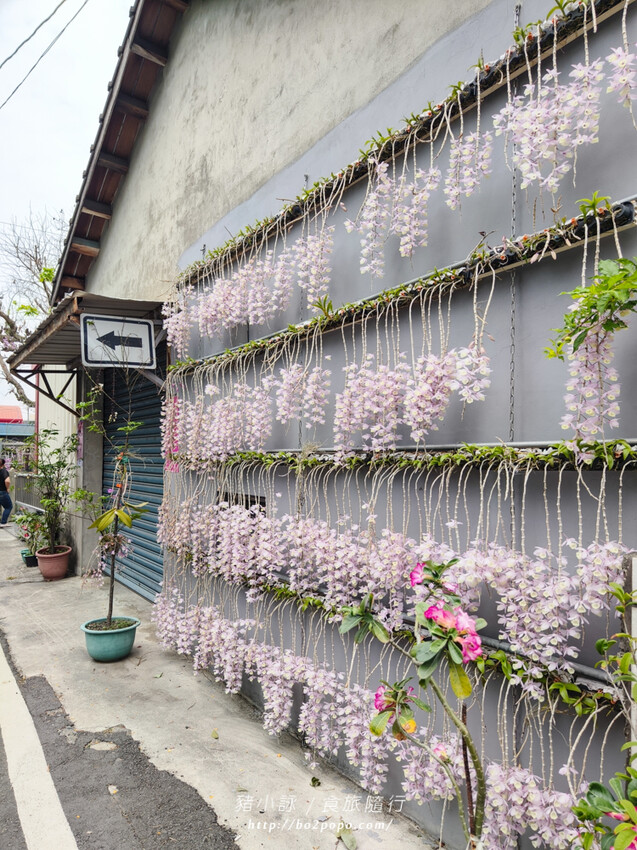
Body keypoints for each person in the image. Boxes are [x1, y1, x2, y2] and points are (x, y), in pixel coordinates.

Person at [0, 458, 12, 526]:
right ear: (3, 464)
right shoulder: (4, 471)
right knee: (8, 507)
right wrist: (7, 488)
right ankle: (3, 522)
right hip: (2, 492)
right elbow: (7, 481)